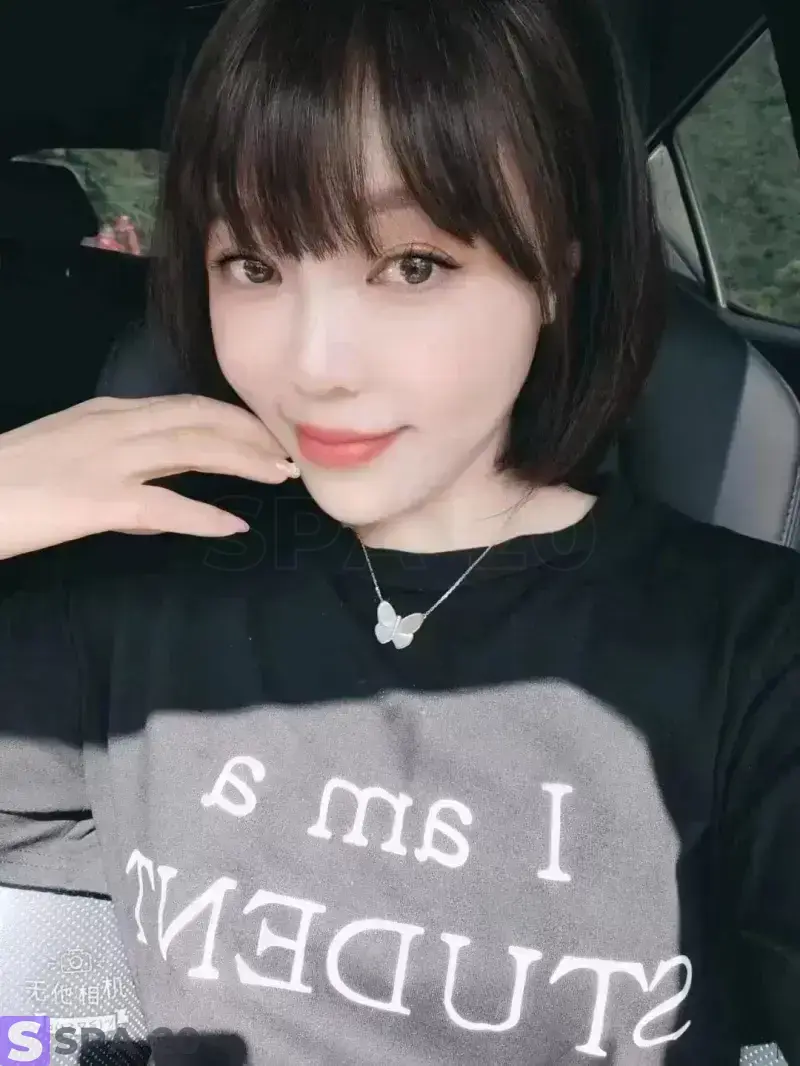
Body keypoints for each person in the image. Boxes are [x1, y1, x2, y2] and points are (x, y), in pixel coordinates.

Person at [0, 0, 798, 1063]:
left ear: (557, 263)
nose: (315, 364)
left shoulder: (753, 652)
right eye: (254, 264)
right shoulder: (146, 593)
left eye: (412, 264)